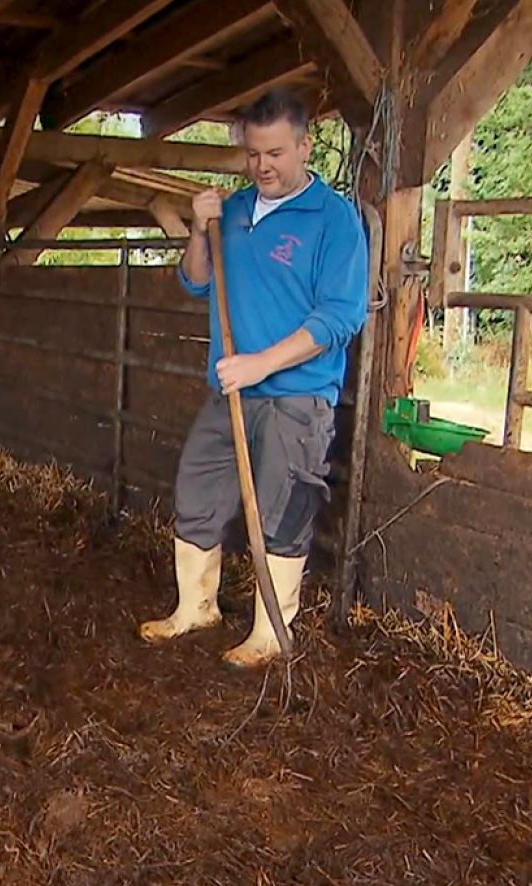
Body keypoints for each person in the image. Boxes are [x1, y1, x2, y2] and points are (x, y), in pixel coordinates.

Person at [139, 89, 368, 667]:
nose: (263, 165)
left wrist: (261, 364)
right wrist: (197, 228)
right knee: (197, 488)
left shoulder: (333, 218)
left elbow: (341, 315)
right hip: (232, 391)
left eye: (275, 153)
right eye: (253, 154)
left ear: (304, 147)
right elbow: (195, 282)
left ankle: (271, 632)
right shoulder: (234, 212)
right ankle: (196, 609)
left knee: (281, 509)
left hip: (296, 395)